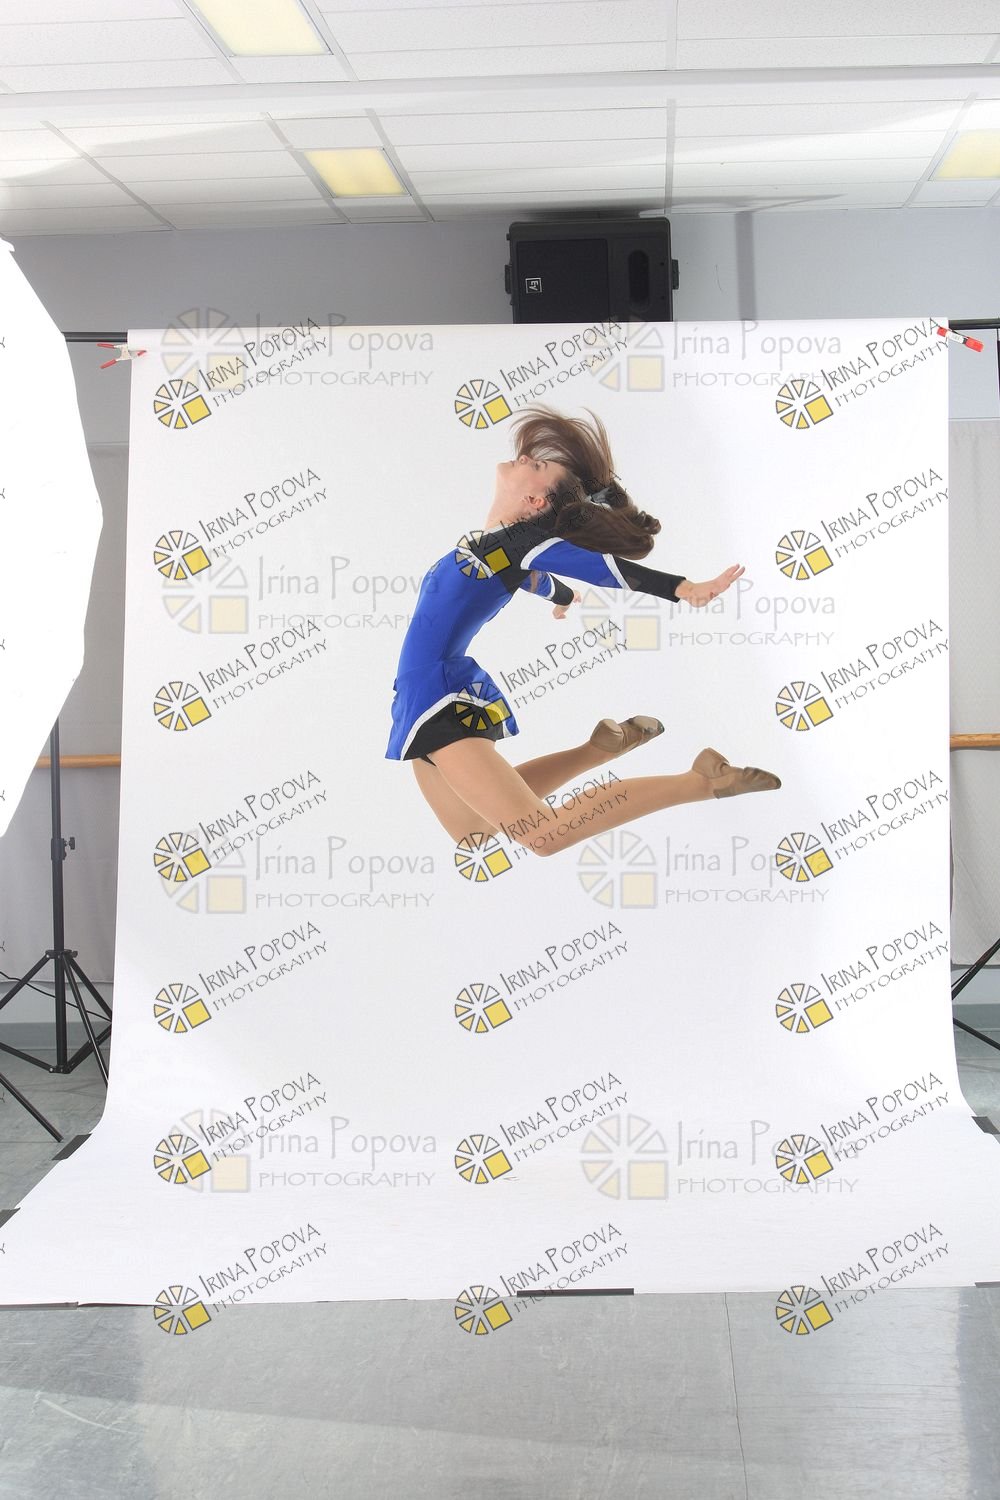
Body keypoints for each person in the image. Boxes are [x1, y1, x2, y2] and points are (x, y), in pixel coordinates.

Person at [386, 405, 780, 857]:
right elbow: (528, 578)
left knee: (543, 835)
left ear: (536, 502)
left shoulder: (520, 541)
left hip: (436, 693)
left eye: (537, 466)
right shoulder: (494, 547)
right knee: (472, 831)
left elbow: (603, 568)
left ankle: (700, 781)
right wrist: (562, 596)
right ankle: (599, 750)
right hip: (418, 693)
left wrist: (682, 588)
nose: (524, 459)